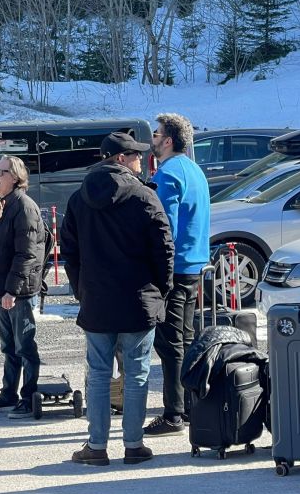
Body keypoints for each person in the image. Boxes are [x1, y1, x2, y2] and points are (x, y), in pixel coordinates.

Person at [61, 131, 174, 465]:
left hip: (97, 299)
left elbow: (70, 251)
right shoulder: (144, 197)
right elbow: (164, 249)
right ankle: (133, 444)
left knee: (98, 373)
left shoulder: (79, 198)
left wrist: (82, 289)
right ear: (121, 159)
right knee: (137, 372)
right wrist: (161, 290)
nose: (141, 161)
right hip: (139, 299)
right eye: (136, 156)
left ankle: (96, 446)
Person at [143, 113, 210, 438]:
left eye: (156, 134)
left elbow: (163, 226)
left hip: (175, 267)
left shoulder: (168, 174)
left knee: (170, 344)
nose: (152, 139)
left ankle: (174, 413)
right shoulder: (195, 170)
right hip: (193, 265)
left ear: (168, 140)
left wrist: (156, 268)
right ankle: (187, 406)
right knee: (183, 339)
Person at [0, 155, 47, 419]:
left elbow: (27, 254)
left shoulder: (24, 207)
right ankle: (8, 394)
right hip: (3, 287)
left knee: (24, 345)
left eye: (0, 173)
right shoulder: (1, 204)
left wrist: (12, 291)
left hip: (19, 290)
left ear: (15, 177)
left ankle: (29, 396)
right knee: (8, 346)